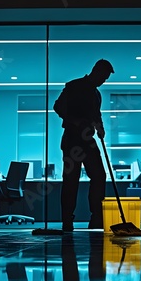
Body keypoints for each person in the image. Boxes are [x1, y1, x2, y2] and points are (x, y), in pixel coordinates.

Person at [53, 59, 114, 232]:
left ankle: (96, 219)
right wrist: (75, 121)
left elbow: (96, 115)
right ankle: (67, 220)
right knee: (71, 180)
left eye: (106, 78)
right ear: (96, 71)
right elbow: (58, 107)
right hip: (73, 137)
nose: (104, 81)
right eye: (103, 76)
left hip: (88, 140)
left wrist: (100, 128)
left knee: (99, 176)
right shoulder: (74, 86)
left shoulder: (96, 95)